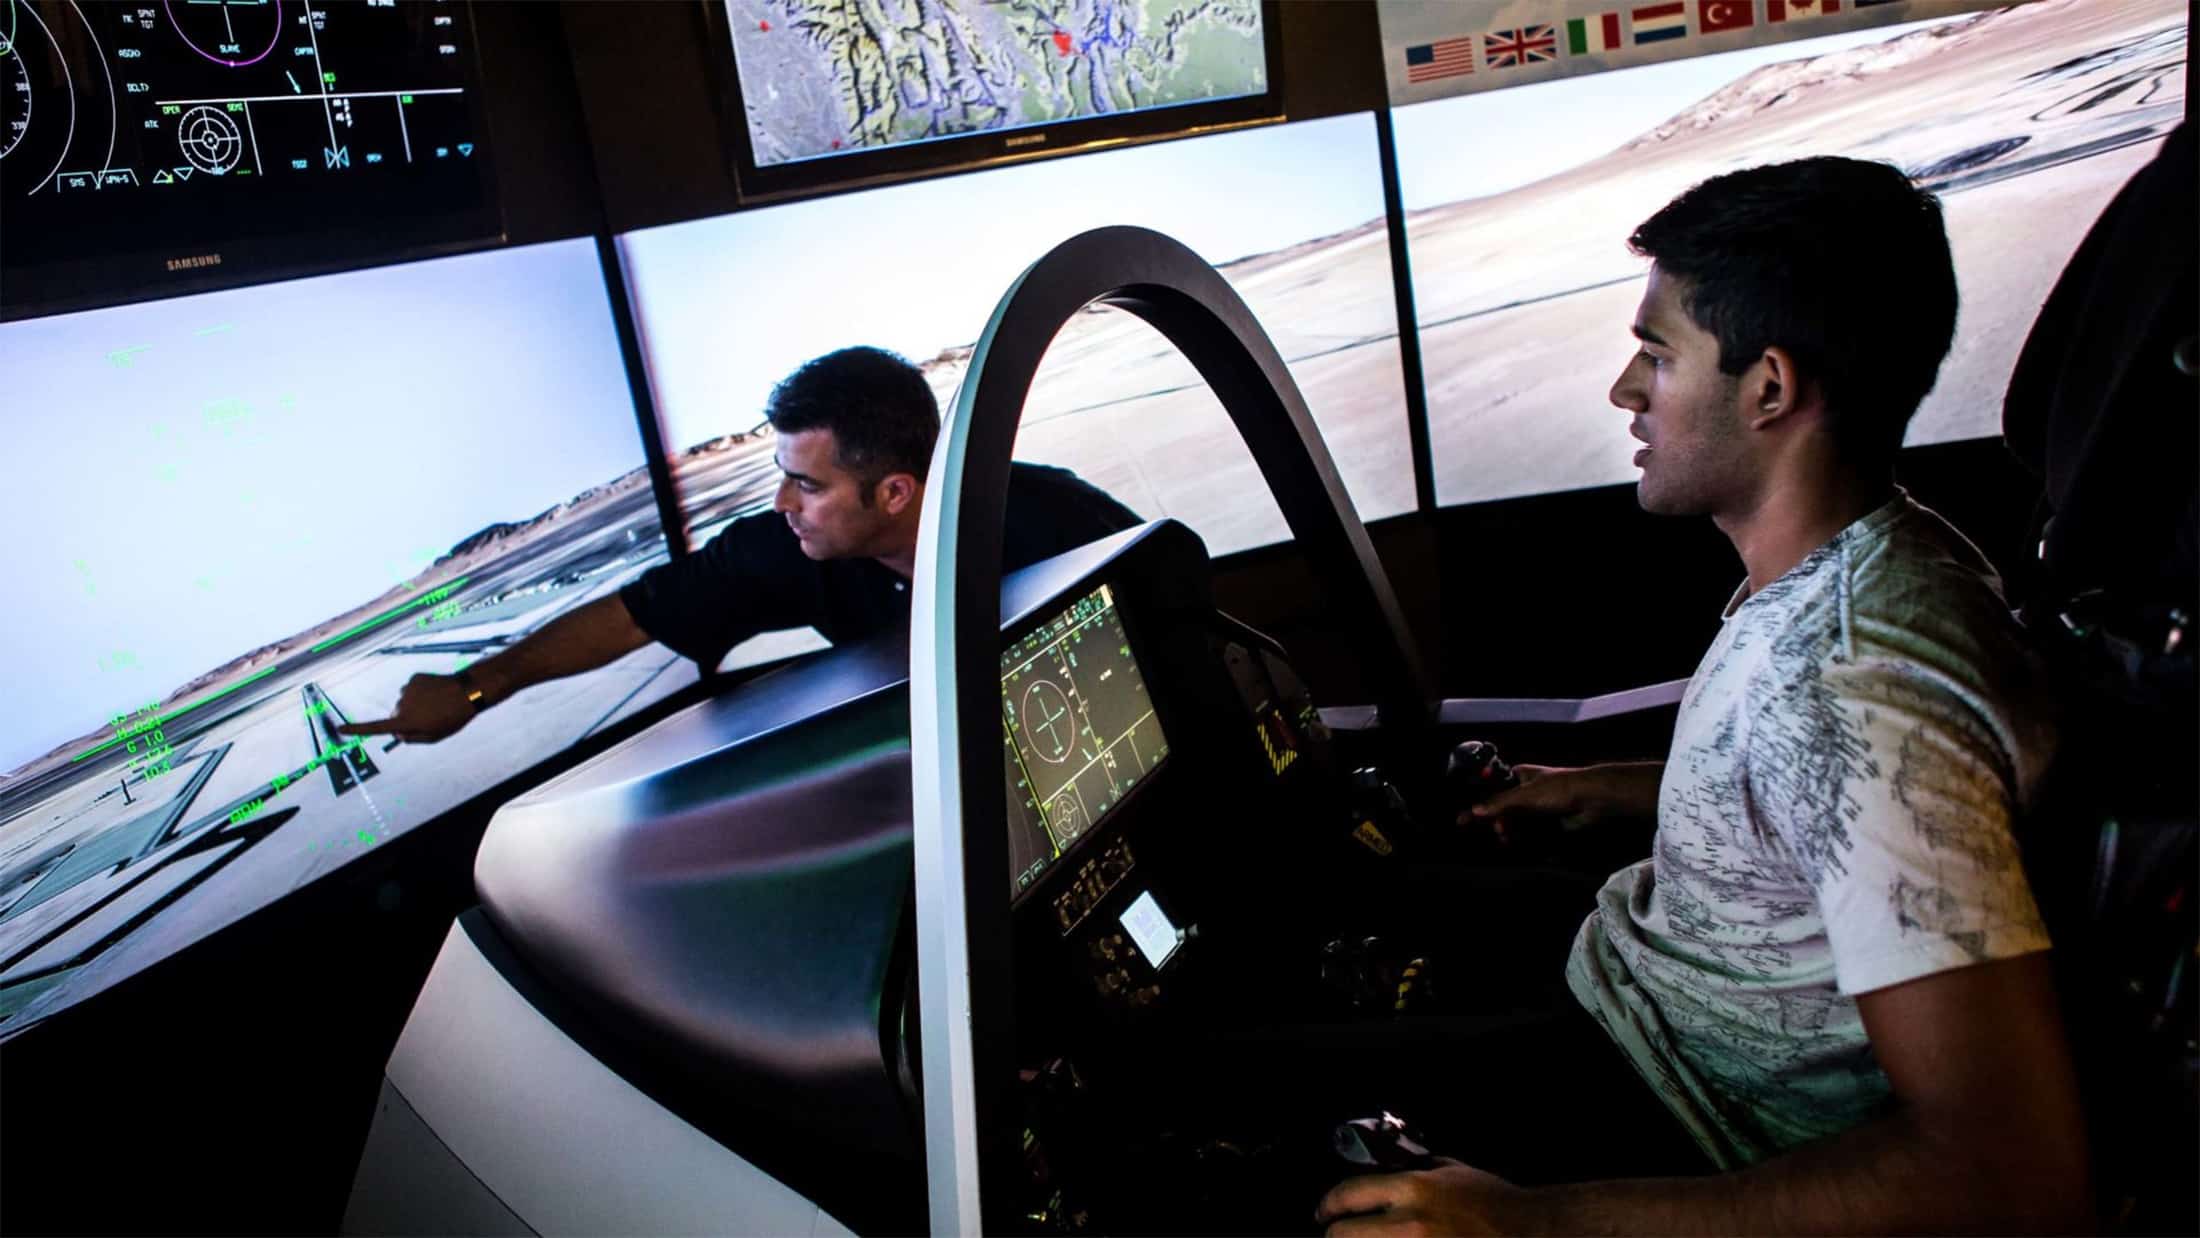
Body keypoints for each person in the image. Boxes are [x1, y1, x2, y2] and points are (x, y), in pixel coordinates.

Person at [1318, 158, 2091, 1234]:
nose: (1625, 390)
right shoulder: (1879, 556)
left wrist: (1537, 1224)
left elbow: (2005, 1171)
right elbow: (1824, 813)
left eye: (1655, 352)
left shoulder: (1855, 689)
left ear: (1768, 387)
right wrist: (1638, 787)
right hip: (1643, 982)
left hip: (1680, 1110)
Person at [341, 346, 1140, 744]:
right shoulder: (782, 549)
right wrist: (480, 686)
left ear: (895, 492)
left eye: (809, 485)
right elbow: (637, 614)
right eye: (779, 473)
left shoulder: (1057, 520)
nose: (782, 502)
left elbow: (1173, 615)